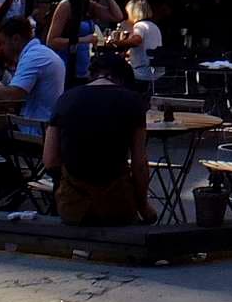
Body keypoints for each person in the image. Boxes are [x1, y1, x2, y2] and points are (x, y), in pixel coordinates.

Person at [0, 15, 67, 207]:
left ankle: (8, 191)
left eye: (4, 42)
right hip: (42, 127)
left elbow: (11, 96)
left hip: (35, 132)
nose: (2, 48)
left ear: (16, 39)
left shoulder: (33, 57)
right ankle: (9, 189)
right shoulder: (41, 53)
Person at [43, 52, 154, 225]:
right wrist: (143, 207)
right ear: (122, 78)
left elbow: (50, 160)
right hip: (117, 204)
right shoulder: (132, 101)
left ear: (92, 74)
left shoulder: (65, 99)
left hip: (72, 206)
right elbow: (139, 165)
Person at [45, 0, 124, 81]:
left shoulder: (89, 5)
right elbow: (51, 41)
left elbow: (117, 16)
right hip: (66, 67)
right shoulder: (66, 6)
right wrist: (83, 40)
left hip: (83, 69)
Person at [117, 0, 163, 88]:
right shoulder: (153, 26)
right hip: (156, 71)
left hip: (142, 72)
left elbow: (136, 41)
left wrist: (116, 42)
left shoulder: (139, 26)